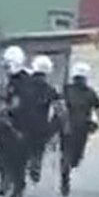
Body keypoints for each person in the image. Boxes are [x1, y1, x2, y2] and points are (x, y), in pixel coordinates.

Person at [56, 61, 99, 197]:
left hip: (68, 127)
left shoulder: (66, 89)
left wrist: (59, 123)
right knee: (75, 156)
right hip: (81, 128)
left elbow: (59, 107)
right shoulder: (90, 92)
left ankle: (65, 172)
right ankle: (66, 173)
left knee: (67, 153)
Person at [0, 45, 32, 197]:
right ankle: (5, 182)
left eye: (8, 65)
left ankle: (17, 187)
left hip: (20, 124)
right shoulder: (9, 80)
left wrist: (5, 109)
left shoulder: (23, 82)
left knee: (18, 158)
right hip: (8, 124)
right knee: (3, 155)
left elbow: (18, 103)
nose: (6, 69)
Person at [25, 55, 59, 185]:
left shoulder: (24, 85)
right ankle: (35, 165)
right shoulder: (49, 89)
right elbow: (59, 108)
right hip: (41, 125)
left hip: (23, 122)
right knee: (37, 149)